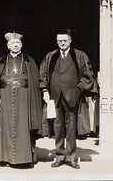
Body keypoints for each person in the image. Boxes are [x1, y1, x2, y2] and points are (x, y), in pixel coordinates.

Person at [39, 29, 98, 169]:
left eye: (65, 40)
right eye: (60, 41)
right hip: (55, 97)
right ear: (56, 41)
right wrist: (45, 90)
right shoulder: (50, 56)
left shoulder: (79, 55)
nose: (62, 43)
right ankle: (59, 156)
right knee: (57, 128)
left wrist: (79, 88)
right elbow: (43, 75)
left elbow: (88, 74)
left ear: (70, 40)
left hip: (72, 97)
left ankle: (72, 158)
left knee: (71, 128)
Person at [0, 31, 42, 168]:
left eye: (18, 43)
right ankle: (4, 157)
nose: (15, 45)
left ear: (21, 45)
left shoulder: (29, 60)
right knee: (5, 127)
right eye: (13, 43)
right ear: (8, 45)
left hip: (24, 98)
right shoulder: (1, 61)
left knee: (23, 127)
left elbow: (35, 81)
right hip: (5, 97)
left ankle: (24, 158)